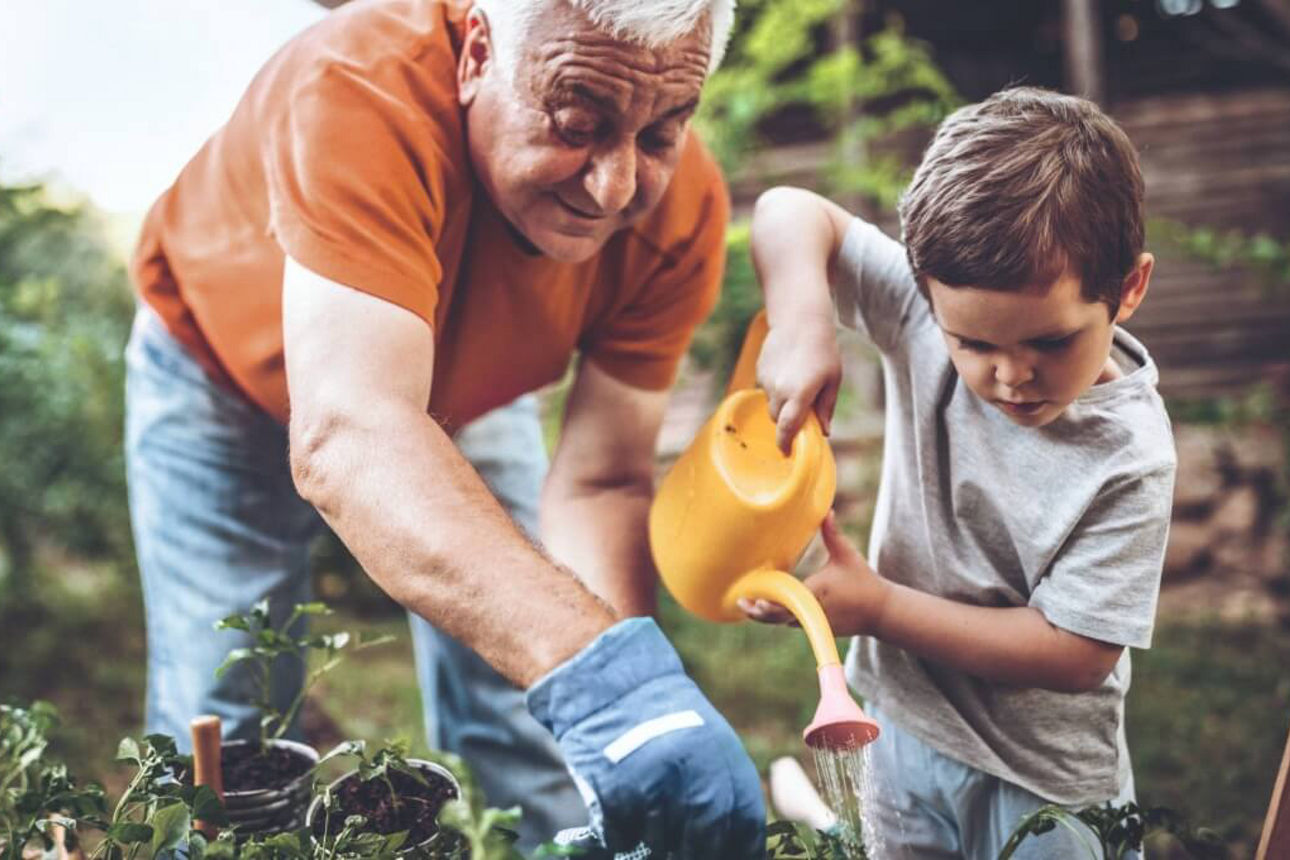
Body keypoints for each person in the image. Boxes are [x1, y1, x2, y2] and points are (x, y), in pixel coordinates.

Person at [125, 0, 765, 855]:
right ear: (476, 54)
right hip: (220, 376)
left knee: (533, 699)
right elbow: (352, 432)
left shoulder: (678, 214)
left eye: (658, 135)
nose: (615, 187)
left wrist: (636, 699)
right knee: (231, 717)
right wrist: (595, 673)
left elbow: (601, 480)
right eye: (576, 124)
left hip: (464, 394)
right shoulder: (359, 89)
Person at [741, 87, 1176, 859]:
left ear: (1129, 289)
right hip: (902, 732)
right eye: (973, 344)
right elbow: (786, 210)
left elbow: (1075, 654)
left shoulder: (1129, 454)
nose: (1010, 375)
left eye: (1050, 342)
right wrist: (803, 321)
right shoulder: (921, 313)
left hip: (1044, 783)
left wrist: (879, 607)